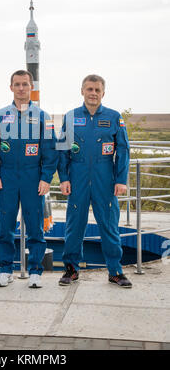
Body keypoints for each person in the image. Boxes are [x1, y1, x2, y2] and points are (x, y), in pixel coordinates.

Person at [57, 74, 132, 288]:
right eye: (89, 89)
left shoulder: (114, 117)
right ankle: (71, 269)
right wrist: (63, 178)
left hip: (105, 180)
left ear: (103, 93)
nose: (93, 93)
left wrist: (120, 179)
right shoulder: (71, 117)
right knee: (74, 226)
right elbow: (63, 151)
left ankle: (115, 271)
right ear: (82, 91)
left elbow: (124, 150)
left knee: (109, 226)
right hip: (77, 180)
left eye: (97, 90)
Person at [0, 70, 58, 288]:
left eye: (25, 84)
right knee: (5, 227)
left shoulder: (43, 117)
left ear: (31, 87)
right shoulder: (0, 115)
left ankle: (35, 271)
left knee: (35, 227)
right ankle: (5, 270)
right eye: (17, 84)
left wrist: (46, 178)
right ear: (11, 87)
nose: (21, 88)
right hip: (7, 178)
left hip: (32, 178)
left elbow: (50, 150)